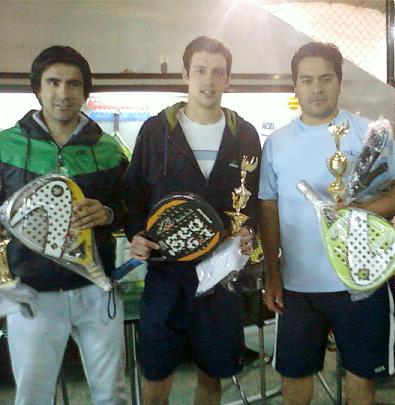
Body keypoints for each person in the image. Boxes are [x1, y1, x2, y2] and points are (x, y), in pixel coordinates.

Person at [259, 42, 395, 405]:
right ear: (295, 86)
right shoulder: (277, 143)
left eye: (325, 78)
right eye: (307, 80)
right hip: (298, 285)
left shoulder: (369, 133)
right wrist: (273, 273)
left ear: (340, 82)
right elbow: (268, 207)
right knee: (295, 377)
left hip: (362, 280)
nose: (317, 88)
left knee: (361, 377)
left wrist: (363, 210)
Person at [125, 36, 260, 405]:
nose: (209, 80)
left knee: (212, 374)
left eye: (218, 72)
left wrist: (249, 232)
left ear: (228, 78)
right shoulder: (156, 131)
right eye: (200, 70)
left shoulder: (244, 134)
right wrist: (136, 234)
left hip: (220, 275)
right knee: (156, 373)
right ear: (185, 74)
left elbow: (255, 201)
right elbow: (132, 197)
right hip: (165, 275)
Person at [2, 46, 129, 405]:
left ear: (85, 92)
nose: (63, 92)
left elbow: (131, 209)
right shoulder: (6, 145)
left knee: (111, 396)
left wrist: (108, 213)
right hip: (32, 294)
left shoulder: (109, 149)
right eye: (53, 82)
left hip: (97, 290)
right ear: (37, 88)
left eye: (74, 84)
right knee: (33, 397)